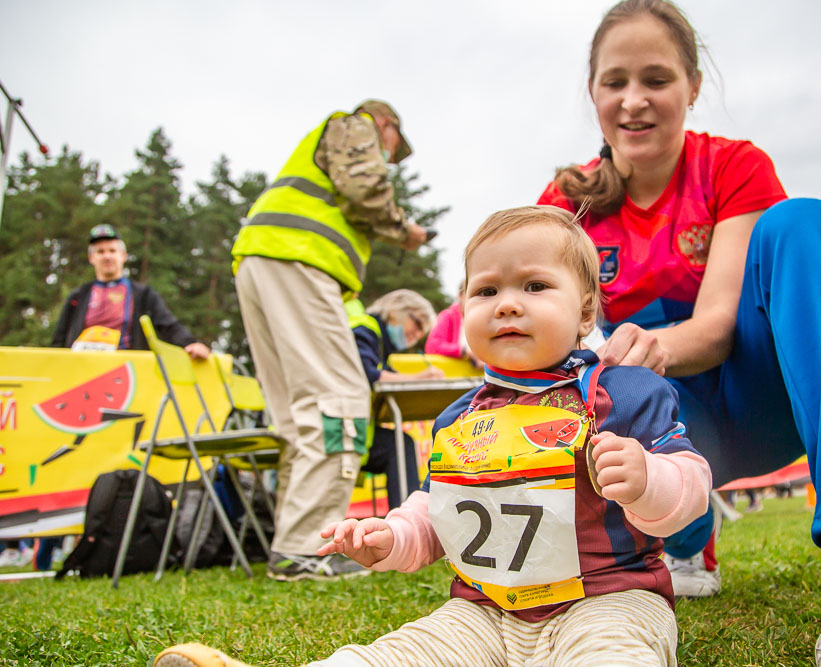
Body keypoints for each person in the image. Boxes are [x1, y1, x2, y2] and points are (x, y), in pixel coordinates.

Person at [536, 1, 821, 664]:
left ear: (693, 87)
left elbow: (718, 327)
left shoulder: (732, 166)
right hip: (670, 432)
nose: (634, 101)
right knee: (584, 370)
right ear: (593, 92)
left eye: (656, 79)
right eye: (615, 82)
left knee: (806, 223)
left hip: (765, 403)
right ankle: (677, 532)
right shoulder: (567, 204)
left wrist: (647, 346)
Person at [155, 205, 711, 666]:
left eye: (535, 285)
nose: (508, 303)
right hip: (481, 612)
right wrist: (392, 537)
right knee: (395, 655)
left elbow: (692, 490)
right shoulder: (457, 419)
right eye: (485, 290)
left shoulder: (624, 392)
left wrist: (647, 481)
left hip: (608, 603)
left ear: (586, 308)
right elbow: (438, 513)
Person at [231, 100, 430, 582]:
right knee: (340, 402)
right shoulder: (354, 125)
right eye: (392, 148)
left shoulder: (326, 142)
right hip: (300, 259)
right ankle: (307, 549)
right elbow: (364, 188)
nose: (388, 158)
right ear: (385, 124)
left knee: (300, 418)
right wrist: (405, 230)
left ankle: (291, 547)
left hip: (264, 259)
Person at [51, 223, 211, 359]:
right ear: (92, 258)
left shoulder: (143, 295)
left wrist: (190, 343)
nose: (107, 256)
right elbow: (59, 339)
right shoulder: (78, 297)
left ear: (123, 255)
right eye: (100, 252)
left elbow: (168, 324)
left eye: (112, 251)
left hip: (129, 369)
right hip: (82, 368)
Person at [348, 289, 443, 510]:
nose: (417, 335)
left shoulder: (379, 343)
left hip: (355, 434)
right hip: (338, 433)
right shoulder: (365, 329)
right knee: (400, 445)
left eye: (422, 333)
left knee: (400, 444)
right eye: (417, 324)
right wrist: (420, 377)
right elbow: (370, 374)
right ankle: (406, 519)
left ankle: (405, 518)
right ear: (397, 309)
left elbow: (387, 373)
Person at [424, 281, 481, 367]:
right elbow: (432, 346)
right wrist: (464, 351)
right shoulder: (448, 316)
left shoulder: (482, 320)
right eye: (471, 294)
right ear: (460, 295)